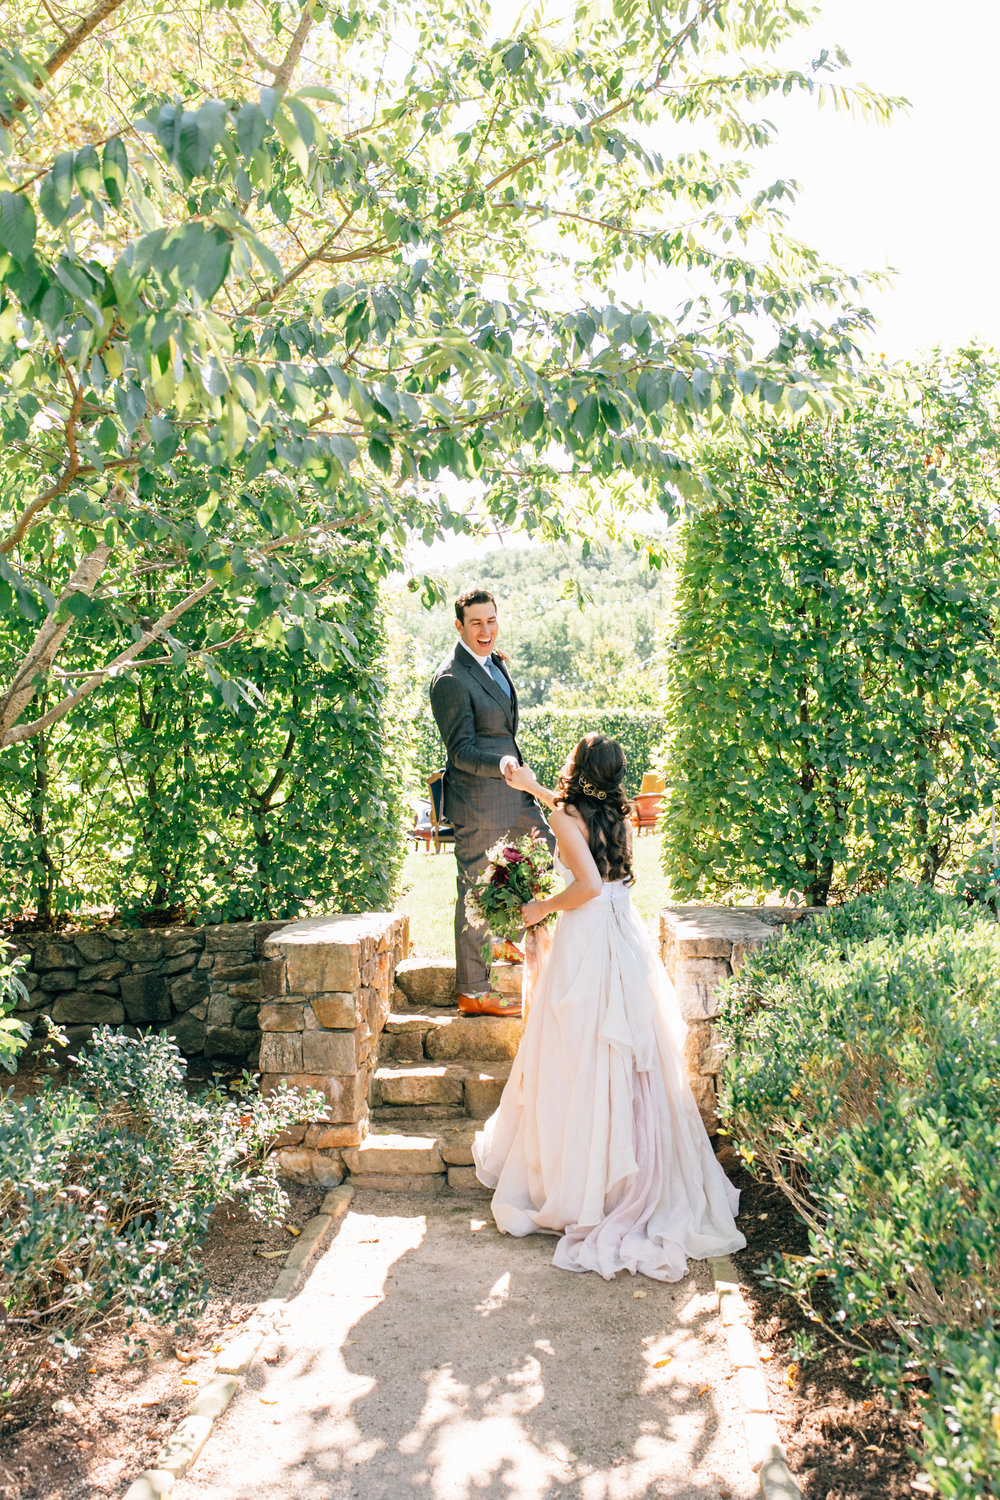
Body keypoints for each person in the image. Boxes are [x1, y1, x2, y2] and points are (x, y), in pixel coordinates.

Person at [473, 732, 746, 1280]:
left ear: (578, 766)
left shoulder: (567, 817)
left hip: (589, 935)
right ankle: (624, 1170)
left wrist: (539, 907)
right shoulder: (614, 815)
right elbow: (573, 821)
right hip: (624, 932)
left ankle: (585, 1186)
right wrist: (531, 787)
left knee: (579, 1053)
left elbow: (590, 885)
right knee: (626, 1053)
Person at [429, 587, 555, 1017]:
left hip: (515, 793)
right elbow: (460, 749)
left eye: (492, 620)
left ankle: (502, 934)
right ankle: (473, 989)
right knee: (474, 890)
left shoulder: (492, 662)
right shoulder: (450, 678)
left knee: (551, 850)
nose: (486, 630)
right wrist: (502, 763)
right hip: (478, 798)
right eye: (477, 622)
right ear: (459, 626)